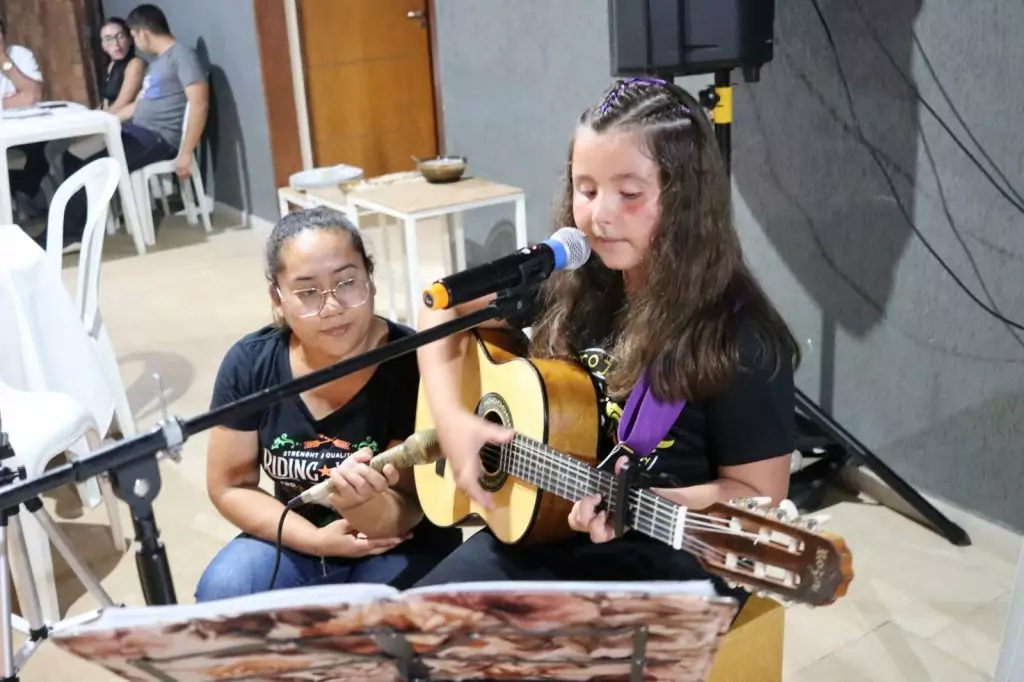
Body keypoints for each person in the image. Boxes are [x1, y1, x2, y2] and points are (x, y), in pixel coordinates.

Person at [412, 77, 800, 606]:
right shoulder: (571, 279)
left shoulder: (741, 339)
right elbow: (440, 304)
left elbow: (759, 500)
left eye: (629, 194)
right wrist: (453, 420)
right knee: (403, 629)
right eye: (586, 189)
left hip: (669, 559)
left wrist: (643, 504)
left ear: (686, 198)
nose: (600, 215)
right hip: (546, 525)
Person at [194, 207, 462, 602]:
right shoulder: (251, 363)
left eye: (347, 282)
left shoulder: (413, 362)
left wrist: (359, 504)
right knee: (224, 589)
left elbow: (407, 509)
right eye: (307, 292)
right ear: (277, 297)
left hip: (400, 539)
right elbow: (230, 485)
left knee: (367, 615)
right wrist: (314, 540)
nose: (332, 306)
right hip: (301, 533)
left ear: (370, 278)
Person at [52, 4, 209, 252]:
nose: (134, 41)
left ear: (143, 32)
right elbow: (137, 106)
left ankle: (72, 234)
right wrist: (101, 121)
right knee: (75, 158)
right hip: (138, 132)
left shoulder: (182, 56)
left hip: (159, 138)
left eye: (132, 35)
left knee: (91, 167)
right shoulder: (157, 63)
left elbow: (199, 103)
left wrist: (186, 153)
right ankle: (70, 229)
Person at [1, 19, 48, 215]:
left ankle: (26, 193)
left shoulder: (19, 55)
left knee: (46, 150)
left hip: (26, 128)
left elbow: (33, 96)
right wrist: (14, 99)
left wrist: (5, 62)